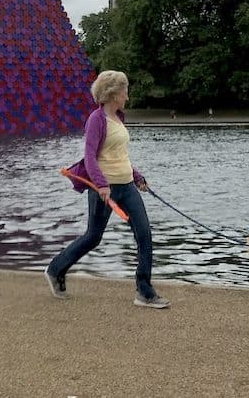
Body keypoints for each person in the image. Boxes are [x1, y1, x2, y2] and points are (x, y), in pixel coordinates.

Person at [44, 70, 170, 309]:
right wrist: (101, 185)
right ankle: (56, 269)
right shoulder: (96, 119)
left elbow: (119, 155)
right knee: (93, 236)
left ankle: (144, 292)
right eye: (125, 91)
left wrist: (137, 176)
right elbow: (90, 156)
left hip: (127, 186)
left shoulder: (119, 118)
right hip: (105, 188)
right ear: (113, 94)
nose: (127, 97)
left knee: (144, 234)